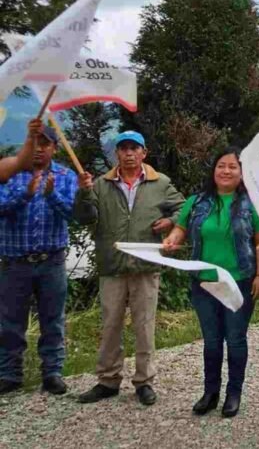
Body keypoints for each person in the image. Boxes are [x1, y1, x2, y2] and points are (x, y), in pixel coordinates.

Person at [74, 131, 185, 406]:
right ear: (117, 154)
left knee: (144, 326)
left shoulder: (161, 183)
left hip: (146, 266)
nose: (129, 153)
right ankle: (108, 381)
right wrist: (84, 192)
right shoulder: (100, 184)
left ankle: (144, 382)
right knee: (110, 325)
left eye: (134, 148)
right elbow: (85, 217)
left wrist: (170, 222)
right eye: (123, 148)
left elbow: (185, 208)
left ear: (144, 153)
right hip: (112, 266)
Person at [162, 147, 259, 418]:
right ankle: (210, 392)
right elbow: (181, 228)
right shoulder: (197, 201)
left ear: (242, 173)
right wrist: (173, 239)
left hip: (239, 282)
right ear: (213, 170)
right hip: (204, 284)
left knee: (235, 340)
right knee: (211, 341)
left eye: (233, 166)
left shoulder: (252, 203)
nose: (226, 171)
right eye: (221, 165)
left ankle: (234, 393)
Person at [0, 119, 77, 395]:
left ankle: (52, 373)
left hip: (52, 261)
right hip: (14, 263)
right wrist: (26, 194)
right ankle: (10, 374)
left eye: (45, 144)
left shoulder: (66, 176)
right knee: (9, 322)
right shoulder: (9, 174)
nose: (38, 149)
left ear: (55, 148)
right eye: (34, 142)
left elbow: (72, 213)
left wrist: (50, 195)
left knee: (52, 320)